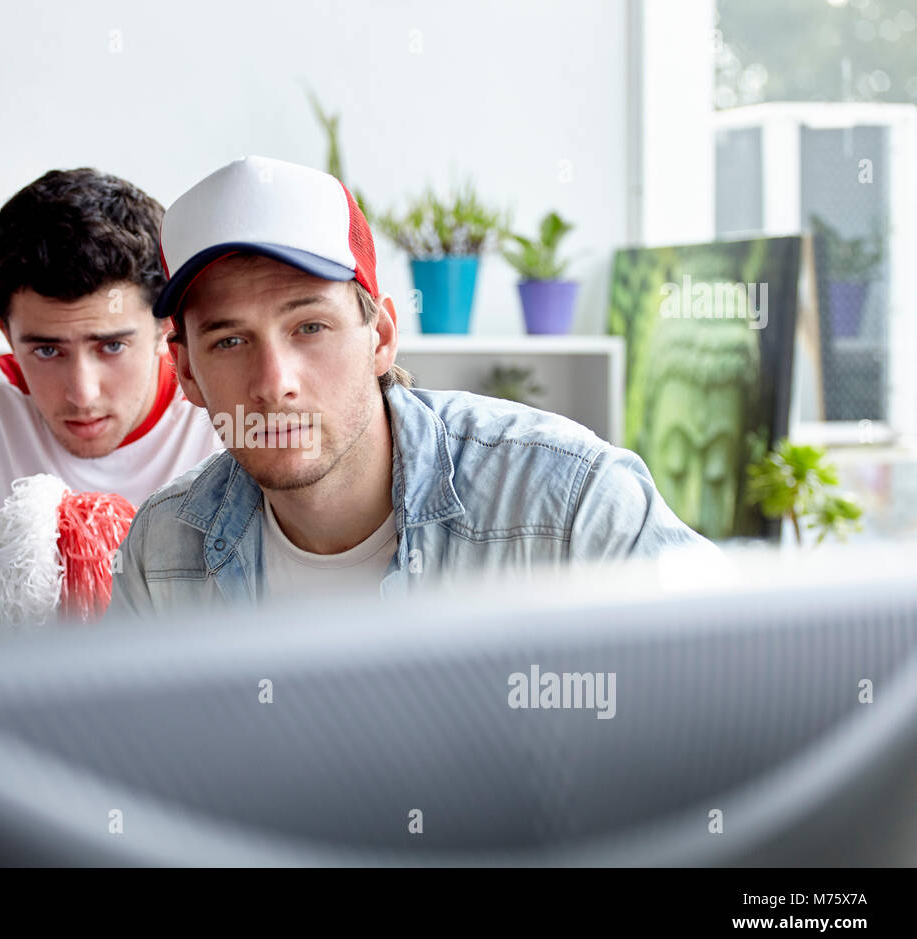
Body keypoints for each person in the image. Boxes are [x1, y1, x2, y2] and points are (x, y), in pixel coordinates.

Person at [110, 156, 718, 616]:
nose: (275, 384)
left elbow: (744, 685)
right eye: (230, 341)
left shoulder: (567, 501)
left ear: (381, 338)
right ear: (186, 371)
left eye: (311, 327)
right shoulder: (165, 552)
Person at [0, 169, 221, 629]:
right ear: (5, 332)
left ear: (165, 326)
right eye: (46, 350)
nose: (82, 393)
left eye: (111, 346)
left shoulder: (218, 408)